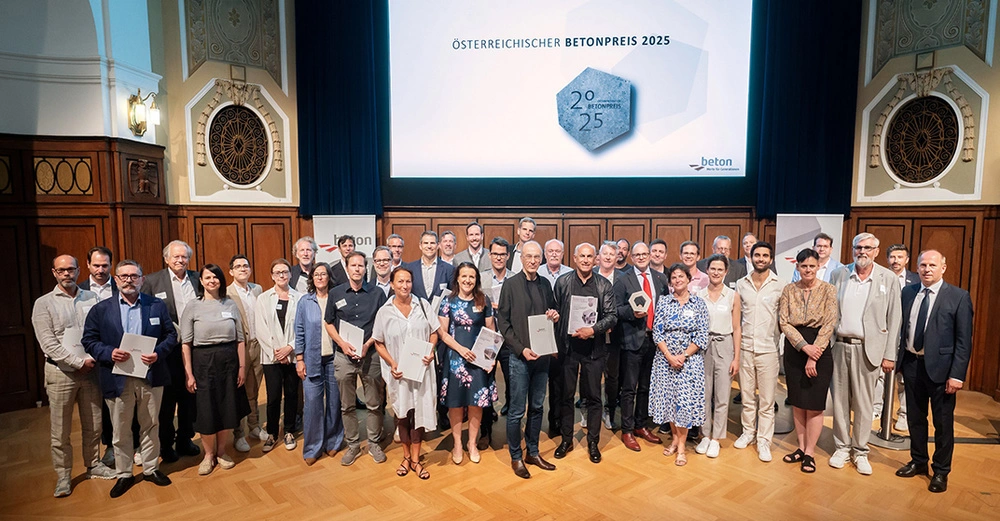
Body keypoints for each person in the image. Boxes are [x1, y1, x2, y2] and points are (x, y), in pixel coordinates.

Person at [82, 260, 176, 498]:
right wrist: (109, 353)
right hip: (118, 377)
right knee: (121, 429)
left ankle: (151, 468)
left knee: (151, 424)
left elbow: (171, 335)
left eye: (134, 276)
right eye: (123, 276)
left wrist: (159, 353)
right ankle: (124, 474)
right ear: (116, 280)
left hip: (151, 376)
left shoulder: (156, 306)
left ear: (142, 280)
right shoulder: (101, 310)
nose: (129, 280)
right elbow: (89, 340)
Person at [32, 254, 114, 497]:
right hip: (61, 374)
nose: (66, 274)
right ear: (54, 273)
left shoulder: (92, 297)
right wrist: (78, 362)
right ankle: (64, 475)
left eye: (70, 269)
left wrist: (95, 358)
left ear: (79, 271)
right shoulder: (43, 303)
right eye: (61, 270)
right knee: (61, 430)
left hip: (90, 371)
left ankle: (94, 465)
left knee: (94, 424)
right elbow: (48, 344)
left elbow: (101, 330)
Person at [895, 250, 973, 494]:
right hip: (912, 364)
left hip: (942, 371)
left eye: (932, 265)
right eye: (923, 265)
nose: (927, 269)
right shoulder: (908, 292)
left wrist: (957, 375)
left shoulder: (959, 297)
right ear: (916, 268)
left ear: (943, 268)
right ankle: (919, 462)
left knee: (942, 423)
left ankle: (941, 470)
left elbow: (963, 341)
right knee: (915, 419)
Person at [828, 233, 902, 475]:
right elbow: (830, 312)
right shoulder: (839, 274)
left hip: (868, 349)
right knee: (839, 401)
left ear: (876, 251)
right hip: (839, 345)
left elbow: (895, 319)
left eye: (868, 248)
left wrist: (889, 355)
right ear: (852, 249)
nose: (862, 252)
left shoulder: (888, 278)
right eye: (858, 247)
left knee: (863, 403)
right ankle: (841, 446)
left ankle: (860, 451)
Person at [180, 264, 251, 475]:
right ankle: (208, 455)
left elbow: (240, 338)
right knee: (207, 409)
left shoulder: (230, 304)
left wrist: (241, 367)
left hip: (229, 361)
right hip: (203, 362)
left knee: (228, 407)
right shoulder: (193, 306)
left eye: (216, 277)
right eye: (207, 277)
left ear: (221, 280)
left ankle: (222, 451)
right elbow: (186, 342)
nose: (212, 281)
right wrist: (189, 373)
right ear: (201, 281)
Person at [497, 241, 560, 478]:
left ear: (541, 259)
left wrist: (554, 314)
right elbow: (503, 322)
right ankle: (516, 457)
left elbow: (553, 310)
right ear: (521, 258)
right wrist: (521, 349)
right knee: (515, 411)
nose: (533, 261)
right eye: (528, 256)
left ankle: (532, 452)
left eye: (537, 257)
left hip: (542, 357)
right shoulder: (510, 285)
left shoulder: (545, 284)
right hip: (519, 357)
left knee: (536, 407)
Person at [373, 267, 439, 479]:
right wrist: (392, 363)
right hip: (399, 373)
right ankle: (405, 455)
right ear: (392, 284)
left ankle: (416, 459)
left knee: (418, 413)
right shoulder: (385, 311)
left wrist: (430, 351)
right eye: (400, 281)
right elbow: (378, 342)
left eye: (408, 281)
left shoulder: (423, 305)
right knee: (403, 414)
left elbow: (434, 333)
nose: (404, 285)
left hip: (421, 370)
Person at [552, 243, 616, 464]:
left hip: (594, 351)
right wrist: (556, 317)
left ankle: (593, 443)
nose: (586, 260)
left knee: (593, 398)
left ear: (596, 259)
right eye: (582, 256)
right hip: (568, 350)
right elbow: (556, 310)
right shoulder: (562, 282)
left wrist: (593, 329)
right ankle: (566, 439)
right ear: (575, 258)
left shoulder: (604, 285)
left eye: (590, 256)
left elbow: (612, 316)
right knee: (566, 396)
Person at [324, 251, 388, 466]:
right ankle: (352, 445)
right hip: (343, 357)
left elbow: (382, 326)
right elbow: (329, 323)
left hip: (370, 355)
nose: (357, 269)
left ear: (365, 268)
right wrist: (342, 343)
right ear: (347, 267)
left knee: (373, 403)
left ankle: (373, 443)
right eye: (353, 265)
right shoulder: (335, 293)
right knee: (347, 405)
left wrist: (367, 345)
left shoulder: (378, 293)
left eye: (361, 265)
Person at [778, 249, 837, 473]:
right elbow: (784, 322)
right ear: (797, 267)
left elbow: (829, 323)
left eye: (812, 266)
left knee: (813, 405)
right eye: (804, 266)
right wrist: (803, 347)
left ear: (818, 266)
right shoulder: (789, 290)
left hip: (820, 349)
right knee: (798, 402)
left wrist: (814, 354)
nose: (808, 270)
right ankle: (801, 448)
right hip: (795, 349)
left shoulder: (828, 290)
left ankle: (810, 453)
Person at [141, 240, 200, 463]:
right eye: (175, 256)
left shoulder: (197, 279)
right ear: (166, 259)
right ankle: (166, 444)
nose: (180, 260)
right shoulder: (153, 281)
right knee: (167, 401)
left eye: (184, 256)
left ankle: (185, 438)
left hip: (194, 349)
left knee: (190, 397)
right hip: (167, 352)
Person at [649, 263, 709, 466]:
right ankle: (675, 438)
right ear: (670, 281)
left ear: (688, 279)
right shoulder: (664, 302)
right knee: (669, 401)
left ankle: (682, 447)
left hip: (689, 362)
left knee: (683, 403)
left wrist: (682, 355)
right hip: (665, 361)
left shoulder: (698, 303)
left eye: (681, 276)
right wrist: (669, 356)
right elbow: (657, 332)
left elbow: (702, 335)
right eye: (673, 277)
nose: (677, 280)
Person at [438, 262, 497, 465]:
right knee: (455, 404)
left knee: (476, 403)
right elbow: (442, 333)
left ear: (476, 280)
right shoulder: (448, 301)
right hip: (455, 359)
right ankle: (456, 443)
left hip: (478, 361)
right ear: (457, 278)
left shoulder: (483, 300)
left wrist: (490, 360)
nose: (468, 280)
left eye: (472, 277)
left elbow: (491, 332)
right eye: (464, 276)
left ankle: (472, 443)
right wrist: (461, 349)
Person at [613, 242, 668, 451]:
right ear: (632, 257)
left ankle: (641, 425)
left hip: (654, 340)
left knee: (646, 386)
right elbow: (616, 309)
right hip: (632, 340)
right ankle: (627, 430)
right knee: (629, 388)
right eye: (638, 254)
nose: (642, 257)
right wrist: (631, 313)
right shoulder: (622, 280)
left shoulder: (660, 278)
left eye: (645, 253)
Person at [734, 241, 786, 462]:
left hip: (768, 350)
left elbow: (784, 318)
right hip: (745, 347)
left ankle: (764, 440)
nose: (761, 259)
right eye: (757, 255)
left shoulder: (780, 285)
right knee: (747, 397)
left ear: (771, 259)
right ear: (751, 257)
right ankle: (748, 432)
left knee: (766, 400)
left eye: (765, 255)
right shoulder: (740, 284)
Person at [294, 261, 346, 465]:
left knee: (334, 402)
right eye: (316, 275)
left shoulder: (338, 299)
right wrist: (299, 359)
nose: (320, 278)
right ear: (312, 279)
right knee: (313, 404)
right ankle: (313, 446)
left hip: (335, 358)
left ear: (329, 277)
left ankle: (333, 441)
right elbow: (299, 330)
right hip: (311, 359)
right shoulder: (305, 302)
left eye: (324, 274)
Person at [694, 254, 742, 459]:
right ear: (707, 270)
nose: (716, 272)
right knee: (703, 394)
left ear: (726, 271)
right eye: (712, 268)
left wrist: (736, 357)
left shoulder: (733, 296)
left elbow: (737, 327)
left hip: (725, 344)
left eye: (720, 269)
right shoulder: (698, 295)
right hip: (703, 345)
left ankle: (716, 438)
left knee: (722, 395)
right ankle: (704, 435)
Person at [254, 258, 302, 453]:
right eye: (277, 272)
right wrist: (277, 351)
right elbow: (261, 329)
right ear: (272, 276)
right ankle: (272, 433)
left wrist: (290, 348)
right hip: (271, 357)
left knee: (292, 395)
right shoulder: (263, 298)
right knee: (273, 396)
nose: (282, 275)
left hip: (292, 356)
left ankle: (289, 430)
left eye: (285, 272)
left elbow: (303, 328)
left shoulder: (300, 298)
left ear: (290, 274)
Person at [878, 243, 918, 430]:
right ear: (887, 259)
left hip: (905, 337)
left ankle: (903, 414)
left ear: (907, 260)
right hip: (882, 335)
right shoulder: (879, 277)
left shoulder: (916, 280)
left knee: (904, 379)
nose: (896, 261)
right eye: (892, 257)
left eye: (900, 257)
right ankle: (877, 408)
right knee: (879, 376)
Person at [227, 254, 263, 453]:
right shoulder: (226, 294)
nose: (242, 269)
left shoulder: (257, 289)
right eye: (238, 266)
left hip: (259, 345)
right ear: (231, 271)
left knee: (254, 389)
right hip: (239, 347)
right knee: (238, 391)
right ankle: (238, 434)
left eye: (246, 266)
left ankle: (254, 426)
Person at [480, 236, 513, 432]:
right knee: (486, 379)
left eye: (502, 254)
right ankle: (487, 418)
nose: (499, 258)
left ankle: (510, 409)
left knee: (512, 378)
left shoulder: (516, 277)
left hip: (509, 338)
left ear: (508, 256)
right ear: (489, 255)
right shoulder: (481, 277)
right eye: (495, 254)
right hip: (487, 338)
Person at [597, 241, 621, 430]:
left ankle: (609, 411)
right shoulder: (590, 276)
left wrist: (611, 322)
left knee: (612, 377)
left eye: (611, 254)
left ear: (617, 257)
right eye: (605, 253)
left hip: (615, 337)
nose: (607, 257)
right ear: (599, 256)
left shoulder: (623, 279)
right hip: (592, 336)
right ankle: (589, 410)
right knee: (590, 376)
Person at [405, 231, 455, 301]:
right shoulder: (410, 268)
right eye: (426, 243)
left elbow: (453, 296)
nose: (429, 246)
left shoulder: (449, 269)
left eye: (432, 243)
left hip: (439, 311)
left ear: (438, 245)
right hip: (417, 310)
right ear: (420, 245)